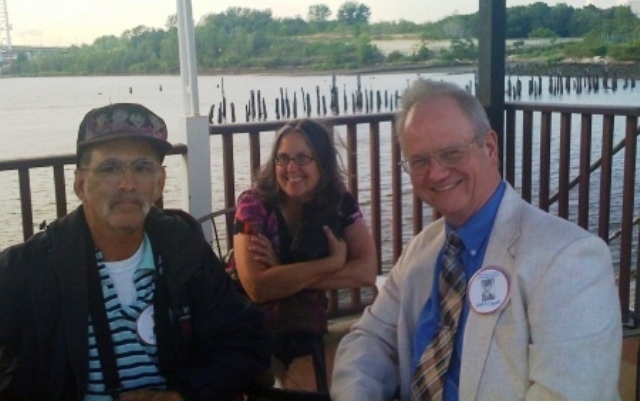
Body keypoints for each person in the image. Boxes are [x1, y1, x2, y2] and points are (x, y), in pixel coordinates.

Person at [331, 79, 622, 400]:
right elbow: (370, 339)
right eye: (419, 161)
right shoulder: (421, 249)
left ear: (490, 148)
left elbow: (567, 393)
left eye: (451, 153)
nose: (437, 173)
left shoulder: (569, 258)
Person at [0, 103, 272, 400]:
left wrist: (183, 395)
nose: (128, 184)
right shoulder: (30, 269)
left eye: (142, 168)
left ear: (160, 183)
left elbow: (246, 339)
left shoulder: (183, 249)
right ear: (80, 184)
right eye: (110, 168)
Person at [232, 118, 376, 388]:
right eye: (282, 158)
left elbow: (367, 271)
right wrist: (331, 262)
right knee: (313, 379)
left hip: (306, 324)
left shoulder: (339, 203)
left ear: (322, 162)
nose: (291, 168)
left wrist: (282, 272)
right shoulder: (254, 205)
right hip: (252, 325)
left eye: (302, 158)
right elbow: (257, 287)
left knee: (368, 363)